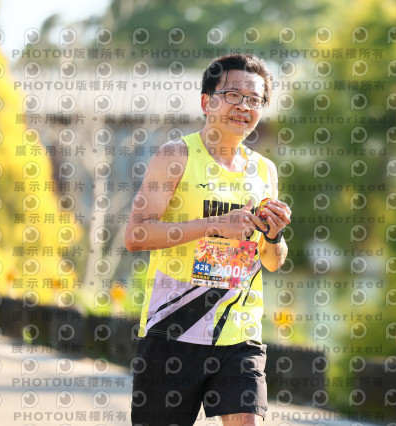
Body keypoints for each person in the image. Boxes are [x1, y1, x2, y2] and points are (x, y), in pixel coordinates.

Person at [125, 54, 291, 426]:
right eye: (233, 95)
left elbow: (272, 260)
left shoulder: (265, 171)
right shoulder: (175, 156)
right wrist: (213, 225)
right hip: (174, 329)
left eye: (254, 99)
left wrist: (274, 234)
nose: (244, 106)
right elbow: (136, 235)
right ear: (207, 101)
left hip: (239, 332)